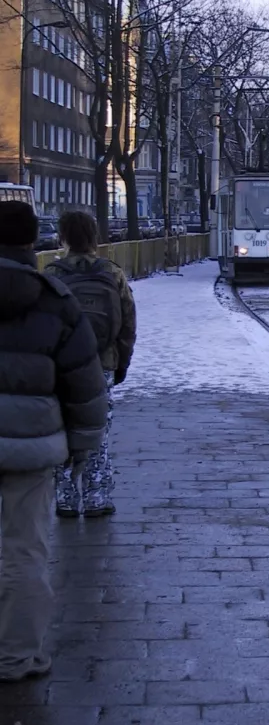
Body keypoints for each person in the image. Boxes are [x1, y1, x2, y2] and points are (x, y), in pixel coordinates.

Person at [0, 201, 107, 682]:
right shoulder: (54, 298)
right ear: (32, 242)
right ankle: (16, 655)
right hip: (29, 447)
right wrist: (82, 446)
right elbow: (83, 382)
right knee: (25, 550)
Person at [46, 211, 136, 518]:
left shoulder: (52, 274)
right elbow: (127, 323)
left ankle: (66, 497)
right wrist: (121, 363)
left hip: (60, 367)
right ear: (94, 236)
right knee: (98, 430)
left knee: (63, 427)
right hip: (102, 364)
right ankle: (98, 497)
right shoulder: (112, 273)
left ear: (64, 237)